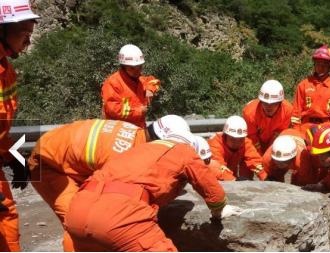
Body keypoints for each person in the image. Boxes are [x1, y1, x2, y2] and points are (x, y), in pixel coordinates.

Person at [28, 115, 190, 251]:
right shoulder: (122, 155)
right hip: (48, 166)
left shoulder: (137, 134)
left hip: (69, 158)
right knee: (79, 222)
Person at [65, 130, 240, 251]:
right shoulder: (184, 150)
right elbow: (207, 182)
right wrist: (219, 210)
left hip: (77, 209)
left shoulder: (139, 148)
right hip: (119, 214)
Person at [0, 1, 40, 250]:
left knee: (6, 218)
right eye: (24, 35)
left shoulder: (6, 70)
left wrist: (14, 156)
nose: (27, 44)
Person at [101, 44, 161, 127]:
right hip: (119, 130)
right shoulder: (113, 83)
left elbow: (154, 81)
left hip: (138, 128)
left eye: (140, 67)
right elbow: (113, 109)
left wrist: (150, 90)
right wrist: (138, 111)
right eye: (132, 68)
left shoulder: (139, 80)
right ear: (123, 66)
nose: (137, 71)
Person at [291, 45, 330, 135]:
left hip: (326, 128)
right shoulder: (303, 85)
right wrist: (297, 133)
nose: (321, 67)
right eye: (318, 63)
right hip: (305, 128)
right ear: (314, 64)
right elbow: (296, 113)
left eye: (325, 64)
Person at [208, 116, 267, 181]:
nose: (237, 143)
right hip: (213, 177)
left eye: (240, 140)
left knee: (248, 165)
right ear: (225, 135)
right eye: (233, 139)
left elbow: (255, 160)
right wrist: (234, 180)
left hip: (230, 174)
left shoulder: (246, 142)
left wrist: (265, 177)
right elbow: (218, 167)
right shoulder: (214, 143)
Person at [242, 80, 293, 155]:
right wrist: (260, 158)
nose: (269, 107)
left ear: (280, 103)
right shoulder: (250, 113)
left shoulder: (287, 110)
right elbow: (252, 139)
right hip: (253, 145)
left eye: (273, 104)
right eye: (265, 103)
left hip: (273, 142)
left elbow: (279, 133)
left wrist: (269, 154)